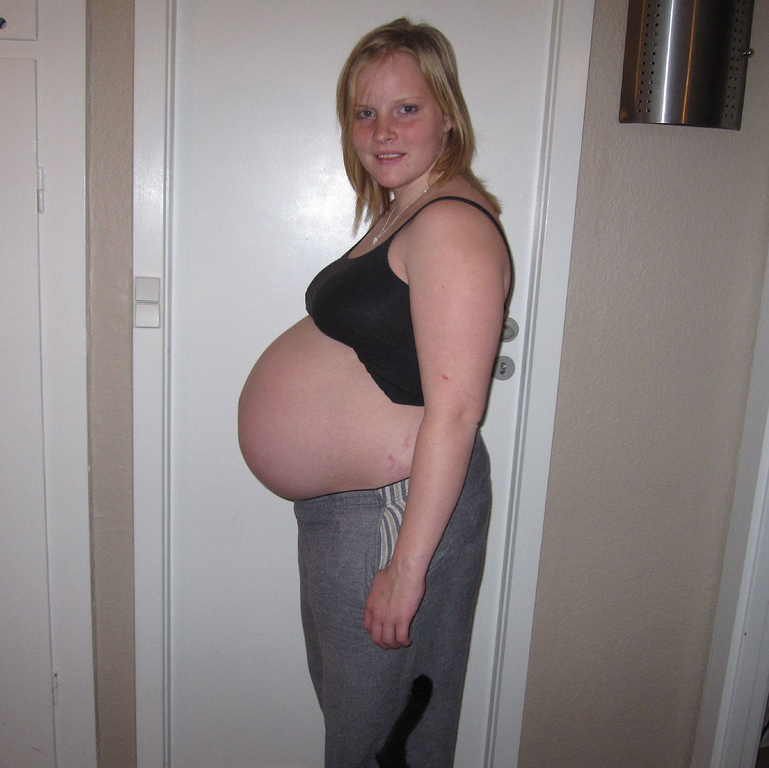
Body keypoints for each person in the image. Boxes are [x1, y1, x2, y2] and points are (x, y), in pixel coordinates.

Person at [238, 17, 511, 767]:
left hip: (394, 512)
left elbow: (456, 411)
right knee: (362, 728)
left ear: (447, 114)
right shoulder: (407, 210)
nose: (382, 131)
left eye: (406, 108)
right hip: (358, 511)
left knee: (383, 740)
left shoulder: (450, 225)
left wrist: (407, 568)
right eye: (365, 112)